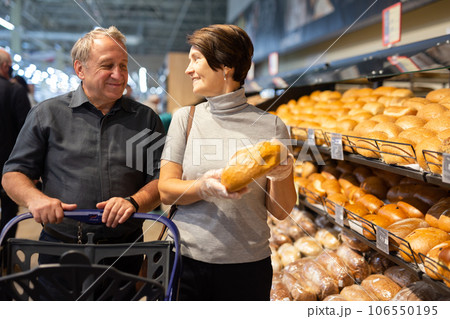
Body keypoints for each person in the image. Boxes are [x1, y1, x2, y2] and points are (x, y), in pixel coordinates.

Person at [2, 27, 164, 282]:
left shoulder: (144, 120)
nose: (118, 74)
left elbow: (158, 178)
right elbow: (14, 174)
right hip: (59, 248)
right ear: (80, 69)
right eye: (107, 65)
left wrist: (134, 202)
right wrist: (35, 199)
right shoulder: (48, 114)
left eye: (123, 65)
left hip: (125, 251)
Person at [158, 24, 296, 301]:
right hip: (186, 260)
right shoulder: (186, 118)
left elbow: (281, 212)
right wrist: (202, 188)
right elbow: (165, 190)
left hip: (247, 266)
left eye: (196, 59)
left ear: (225, 66)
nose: (188, 69)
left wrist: (282, 175)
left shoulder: (272, 126)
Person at [0, 48, 31, 247]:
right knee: (10, 212)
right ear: (5, 67)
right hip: (8, 166)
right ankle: (4, 255)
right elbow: (28, 132)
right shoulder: (14, 90)